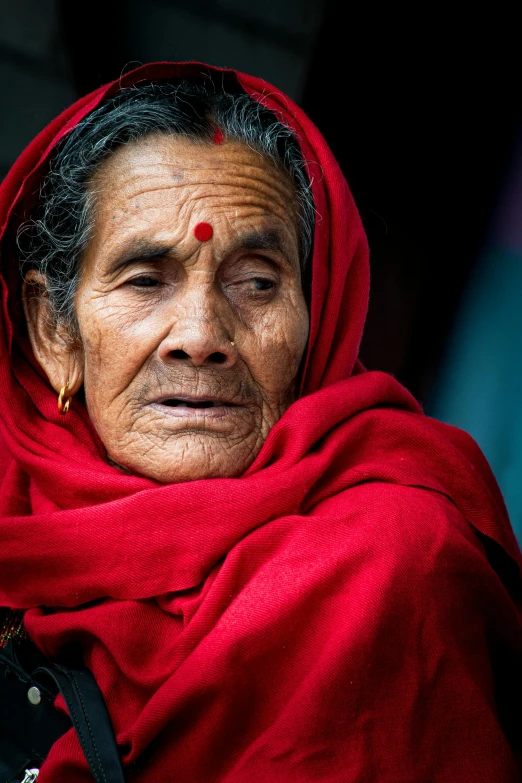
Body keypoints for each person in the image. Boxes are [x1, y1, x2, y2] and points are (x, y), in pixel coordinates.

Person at [0, 62, 520, 782]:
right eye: (146, 280)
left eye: (257, 282)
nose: (202, 333)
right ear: (54, 332)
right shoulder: (11, 514)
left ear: (321, 318)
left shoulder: (394, 561)